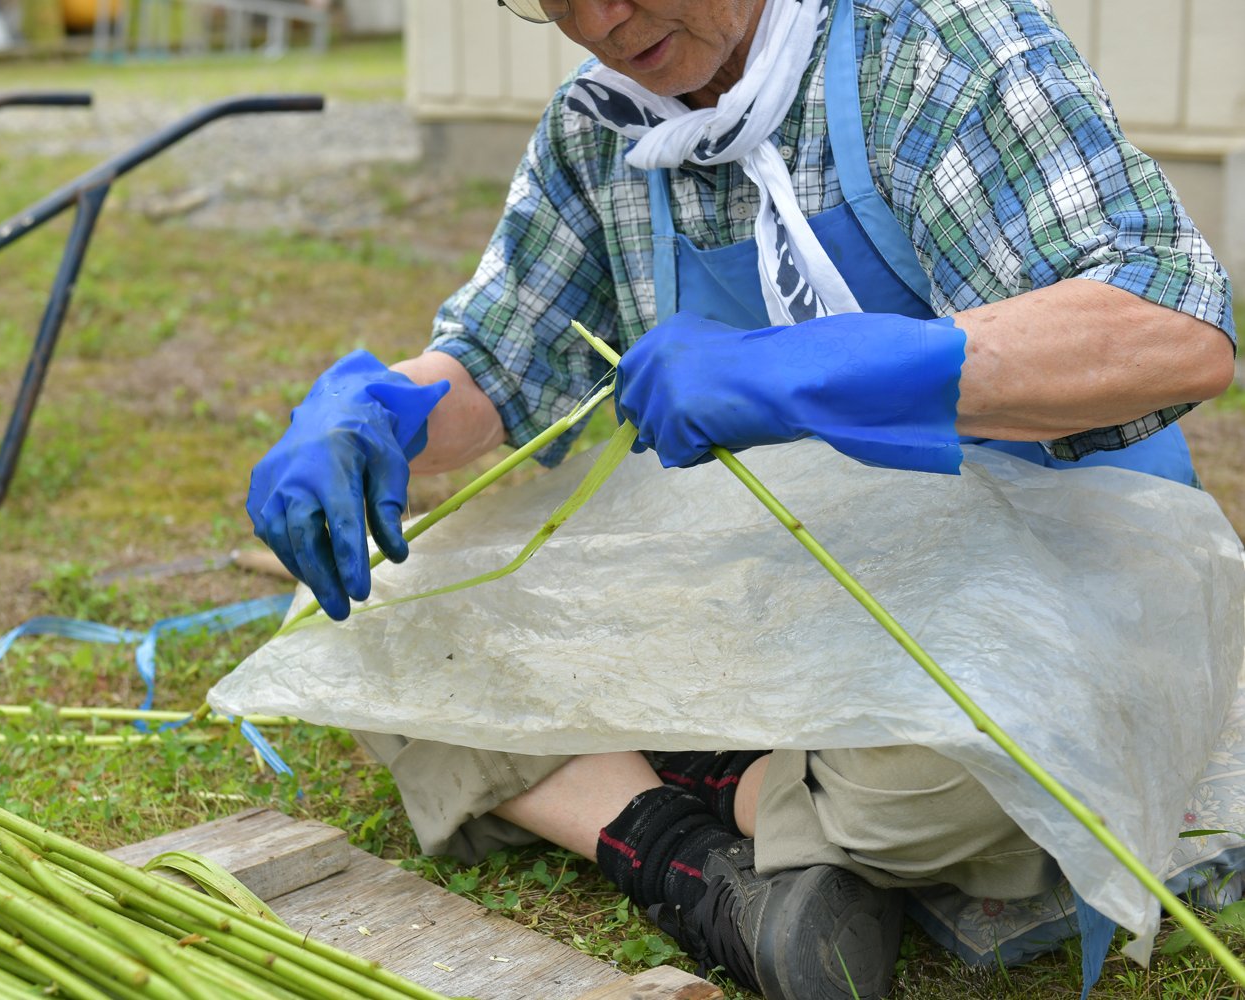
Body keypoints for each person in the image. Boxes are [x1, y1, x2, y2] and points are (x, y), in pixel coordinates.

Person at [246, 0, 1238, 996]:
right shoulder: (603, 126)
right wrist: (377, 413)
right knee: (368, 602)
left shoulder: (932, 47)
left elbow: (1173, 328)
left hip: (1038, 569)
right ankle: (688, 855)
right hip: (769, 582)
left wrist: (807, 368)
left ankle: (635, 778)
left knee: (961, 770)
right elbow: (495, 363)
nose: (598, 21)